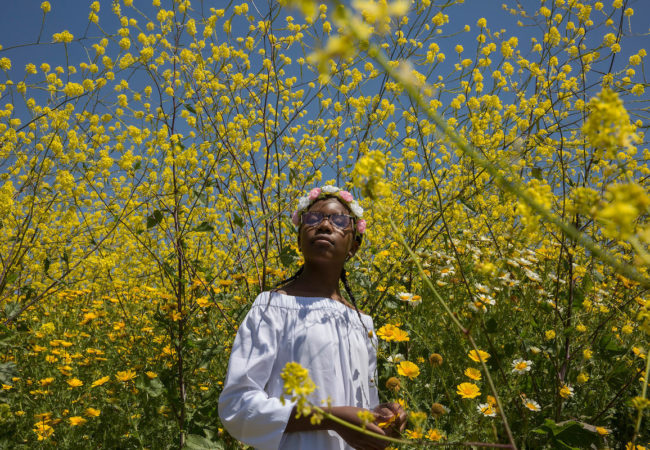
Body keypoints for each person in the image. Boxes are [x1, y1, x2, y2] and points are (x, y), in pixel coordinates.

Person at [218, 185, 407, 450]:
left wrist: (383, 417)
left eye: (340, 220)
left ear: (353, 246)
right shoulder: (271, 307)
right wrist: (331, 418)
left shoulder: (363, 324)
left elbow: (361, 410)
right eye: (313, 219)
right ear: (299, 239)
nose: (325, 226)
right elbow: (238, 406)